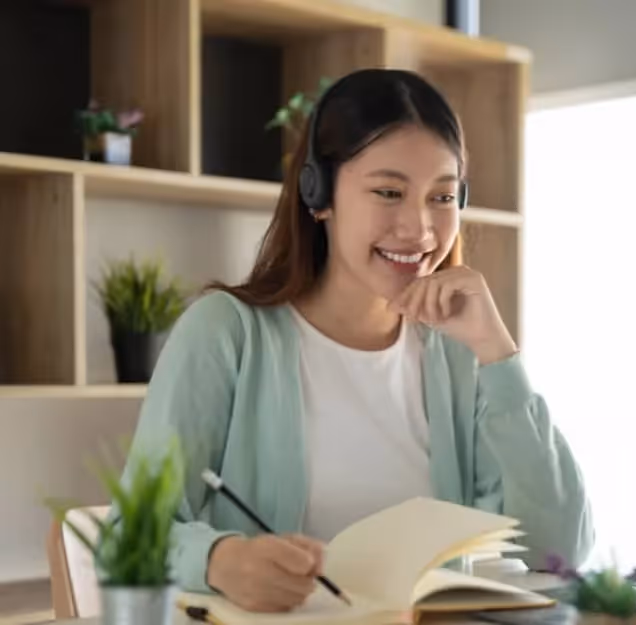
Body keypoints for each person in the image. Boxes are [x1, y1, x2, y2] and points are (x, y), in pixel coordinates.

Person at [120, 68, 593, 613]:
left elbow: (561, 548)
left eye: (442, 197)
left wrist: (499, 354)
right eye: (389, 192)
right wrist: (220, 560)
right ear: (318, 195)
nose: (419, 228)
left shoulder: (459, 354)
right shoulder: (226, 332)